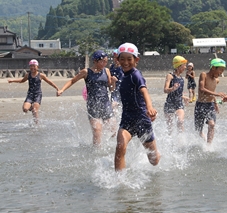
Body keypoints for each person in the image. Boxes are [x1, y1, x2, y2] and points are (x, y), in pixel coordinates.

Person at [114, 42, 160, 171]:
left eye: (129, 59)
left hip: (142, 120)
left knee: (154, 161)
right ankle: (119, 180)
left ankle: (158, 155)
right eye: (122, 59)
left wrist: (149, 107)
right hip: (127, 119)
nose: (126, 62)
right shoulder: (121, 73)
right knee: (120, 146)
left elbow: (144, 90)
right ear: (118, 60)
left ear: (136, 59)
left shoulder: (136, 75)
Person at [57, 50, 115, 146]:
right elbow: (72, 81)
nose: (105, 63)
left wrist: (113, 82)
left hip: (105, 103)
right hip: (93, 104)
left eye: (106, 61)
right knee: (97, 131)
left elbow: (111, 88)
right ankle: (96, 152)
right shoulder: (86, 72)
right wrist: (62, 90)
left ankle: (110, 148)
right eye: (103, 61)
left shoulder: (107, 71)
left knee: (113, 129)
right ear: (95, 61)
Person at [7, 59, 59, 124]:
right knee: (25, 109)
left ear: (37, 67)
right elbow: (22, 80)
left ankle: (36, 124)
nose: (32, 67)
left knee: (35, 110)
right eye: (31, 66)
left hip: (38, 94)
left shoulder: (41, 75)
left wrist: (57, 88)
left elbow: (49, 82)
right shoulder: (28, 75)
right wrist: (12, 80)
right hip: (30, 94)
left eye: (34, 66)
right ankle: (31, 107)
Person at [194, 58, 226, 144]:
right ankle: (203, 140)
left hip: (210, 105)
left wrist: (216, 103)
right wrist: (217, 94)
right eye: (220, 70)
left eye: (223, 70)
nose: (221, 72)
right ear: (213, 68)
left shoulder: (216, 80)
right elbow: (202, 89)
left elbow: (212, 92)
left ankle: (209, 145)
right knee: (198, 130)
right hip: (200, 105)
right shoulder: (203, 75)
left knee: (212, 124)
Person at [163, 55, 189, 135]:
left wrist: (183, 97)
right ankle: (171, 142)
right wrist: (172, 89)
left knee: (180, 121)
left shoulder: (181, 78)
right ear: (178, 66)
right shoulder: (170, 76)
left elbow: (178, 93)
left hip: (178, 103)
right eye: (184, 65)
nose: (185, 67)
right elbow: (165, 90)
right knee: (170, 127)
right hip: (169, 103)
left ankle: (181, 141)